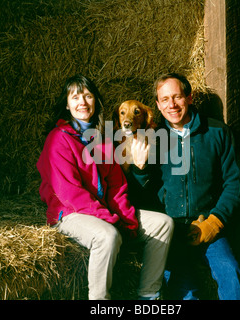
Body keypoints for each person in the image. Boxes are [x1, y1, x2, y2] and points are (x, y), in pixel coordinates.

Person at [36, 74, 174, 300]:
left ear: (95, 102)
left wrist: (127, 219)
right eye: (75, 97)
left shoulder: (101, 140)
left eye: (88, 96)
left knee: (163, 224)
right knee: (107, 236)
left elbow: (117, 186)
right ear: (67, 104)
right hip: (70, 213)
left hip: (105, 211)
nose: (82, 102)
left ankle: (149, 295)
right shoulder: (58, 139)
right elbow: (69, 193)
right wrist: (110, 219)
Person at [130, 73, 240, 300]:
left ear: (189, 98)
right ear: (157, 105)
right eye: (165, 100)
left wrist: (215, 222)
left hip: (208, 225)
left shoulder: (217, 132)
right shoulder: (151, 139)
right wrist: (139, 171)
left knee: (231, 273)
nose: (171, 105)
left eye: (177, 97)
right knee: (184, 291)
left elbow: (235, 184)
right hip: (172, 232)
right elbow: (139, 196)